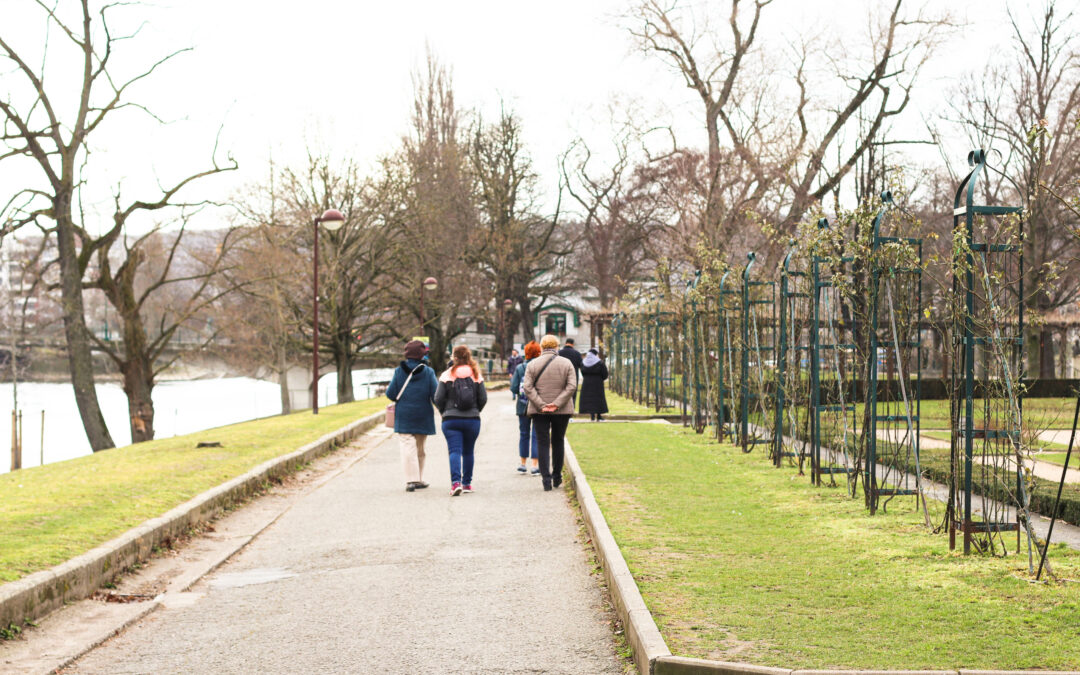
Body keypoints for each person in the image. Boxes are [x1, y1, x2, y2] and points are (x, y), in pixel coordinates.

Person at [522, 334, 577, 491]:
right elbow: (571, 386)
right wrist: (557, 403)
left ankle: (546, 479)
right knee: (558, 440)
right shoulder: (566, 363)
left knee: (542, 442)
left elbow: (528, 387)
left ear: (541, 347)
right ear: (557, 347)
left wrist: (541, 404)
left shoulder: (532, 365)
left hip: (540, 411)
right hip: (562, 409)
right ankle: (557, 476)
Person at [385, 340, 439, 492]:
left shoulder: (398, 371)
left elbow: (390, 394)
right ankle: (418, 478)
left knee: (407, 446)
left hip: (404, 415)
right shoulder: (428, 372)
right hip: (423, 415)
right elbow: (435, 396)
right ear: (422, 355)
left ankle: (411, 480)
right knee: (420, 448)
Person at [434, 344, 488, 496]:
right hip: (472, 419)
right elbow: (483, 398)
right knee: (469, 452)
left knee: (454, 451)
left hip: (451, 419)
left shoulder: (447, 375)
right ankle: (467, 484)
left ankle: (455, 483)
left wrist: (444, 412)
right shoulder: (476, 375)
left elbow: (438, 398)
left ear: (454, 357)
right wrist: (476, 411)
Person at [510, 341, 541, 475]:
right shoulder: (541, 367)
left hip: (522, 406)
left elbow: (513, 387)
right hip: (538, 406)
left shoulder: (520, 368)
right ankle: (535, 465)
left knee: (524, 434)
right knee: (536, 435)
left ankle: (523, 463)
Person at [579, 348, 609, 421]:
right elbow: (605, 373)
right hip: (597, 383)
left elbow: (582, 372)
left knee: (589, 399)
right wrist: (601, 378)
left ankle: (592, 416)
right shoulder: (599, 362)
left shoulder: (583, 362)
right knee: (598, 399)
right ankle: (599, 416)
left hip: (586, 383)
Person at [558, 338, 583, 404]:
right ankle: (571, 409)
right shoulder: (577, 353)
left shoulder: (559, 353)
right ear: (573, 344)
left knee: (561, 393)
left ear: (565, 343)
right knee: (573, 394)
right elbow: (581, 366)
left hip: (561, 376)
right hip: (574, 377)